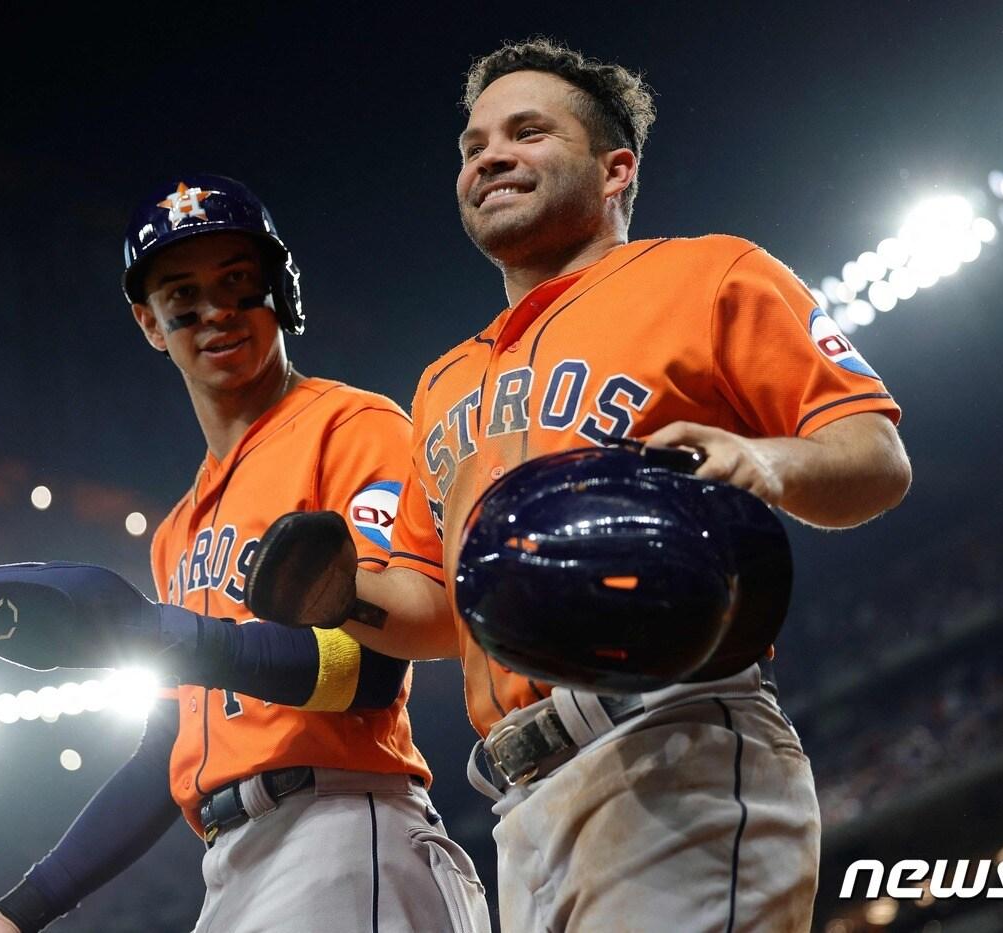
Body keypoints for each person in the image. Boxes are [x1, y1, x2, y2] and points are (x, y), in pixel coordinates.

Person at [330, 40, 913, 931]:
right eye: (473, 143)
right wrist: (334, 590)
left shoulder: (710, 272)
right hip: (518, 799)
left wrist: (763, 460)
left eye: (528, 132)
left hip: (671, 739)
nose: (490, 154)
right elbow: (439, 614)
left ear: (615, 169)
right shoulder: (442, 381)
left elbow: (873, 458)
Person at [0, 175, 489, 933]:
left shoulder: (352, 426)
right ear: (149, 322)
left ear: (280, 291)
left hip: (342, 823)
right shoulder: (178, 528)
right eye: (182, 294)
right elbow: (165, 749)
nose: (214, 311)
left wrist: (156, 632)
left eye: (238, 283)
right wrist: (18, 911)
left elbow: (368, 670)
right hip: (233, 859)